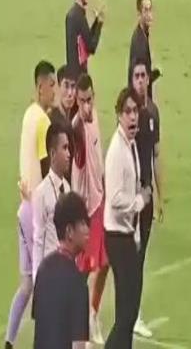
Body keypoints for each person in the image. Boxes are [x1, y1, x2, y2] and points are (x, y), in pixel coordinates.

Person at [4, 60, 56, 349]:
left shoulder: (28, 115)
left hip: (22, 208)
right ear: (40, 86)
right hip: (36, 211)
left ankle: (8, 342)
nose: (54, 91)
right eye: (52, 85)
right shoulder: (43, 122)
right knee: (45, 285)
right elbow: (47, 169)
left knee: (26, 286)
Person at [104, 87, 152, 349]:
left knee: (129, 312)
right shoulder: (117, 151)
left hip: (126, 236)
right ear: (119, 115)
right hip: (117, 237)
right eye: (128, 112)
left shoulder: (129, 145)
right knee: (126, 314)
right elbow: (114, 198)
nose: (133, 117)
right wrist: (140, 201)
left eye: (135, 111)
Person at [71, 73, 109, 344]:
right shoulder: (77, 129)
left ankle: (93, 313)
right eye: (82, 101)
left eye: (89, 100)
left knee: (106, 263)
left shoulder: (94, 116)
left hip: (100, 201)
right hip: (84, 211)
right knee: (82, 273)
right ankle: (78, 325)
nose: (86, 106)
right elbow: (80, 147)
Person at [130, 58, 163, 339]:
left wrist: (161, 196)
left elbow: (156, 156)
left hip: (148, 196)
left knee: (140, 257)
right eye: (137, 76)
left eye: (144, 76)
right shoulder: (130, 115)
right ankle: (132, 314)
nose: (141, 80)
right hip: (132, 198)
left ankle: (134, 312)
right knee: (132, 256)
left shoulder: (153, 112)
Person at [32, 191, 90, 349]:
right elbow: (78, 345)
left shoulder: (43, 269)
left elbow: (40, 329)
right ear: (69, 231)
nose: (88, 230)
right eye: (83, 224)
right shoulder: (78, 283)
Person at [32, 123, 71, 281]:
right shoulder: (41, 193)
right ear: (53, 153)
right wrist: (37, 281)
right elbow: (38, 239)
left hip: (66, 271)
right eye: (65, 148)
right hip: (50, 274)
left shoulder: (67, 188)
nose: (69, 154)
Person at [65, 0, 105, 75]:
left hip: (73, 73)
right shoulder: (78, 16)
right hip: (79, 75)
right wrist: (99, 24)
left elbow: (86, 37)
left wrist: (96, 21)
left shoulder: (73, 14)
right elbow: (91, 47)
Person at [128, 0, 160, 98]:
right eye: (145, 10)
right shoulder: (139, 43)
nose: (149, 15)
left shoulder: (142, 35)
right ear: (139, 14)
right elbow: (138, 81)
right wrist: (154, 74)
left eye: (150, 9)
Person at [49, 64, 77, 180]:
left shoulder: (67, 120)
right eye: (66, 86)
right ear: (58, 87)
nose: (70, 93)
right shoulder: (57, 122)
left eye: (73, 87)